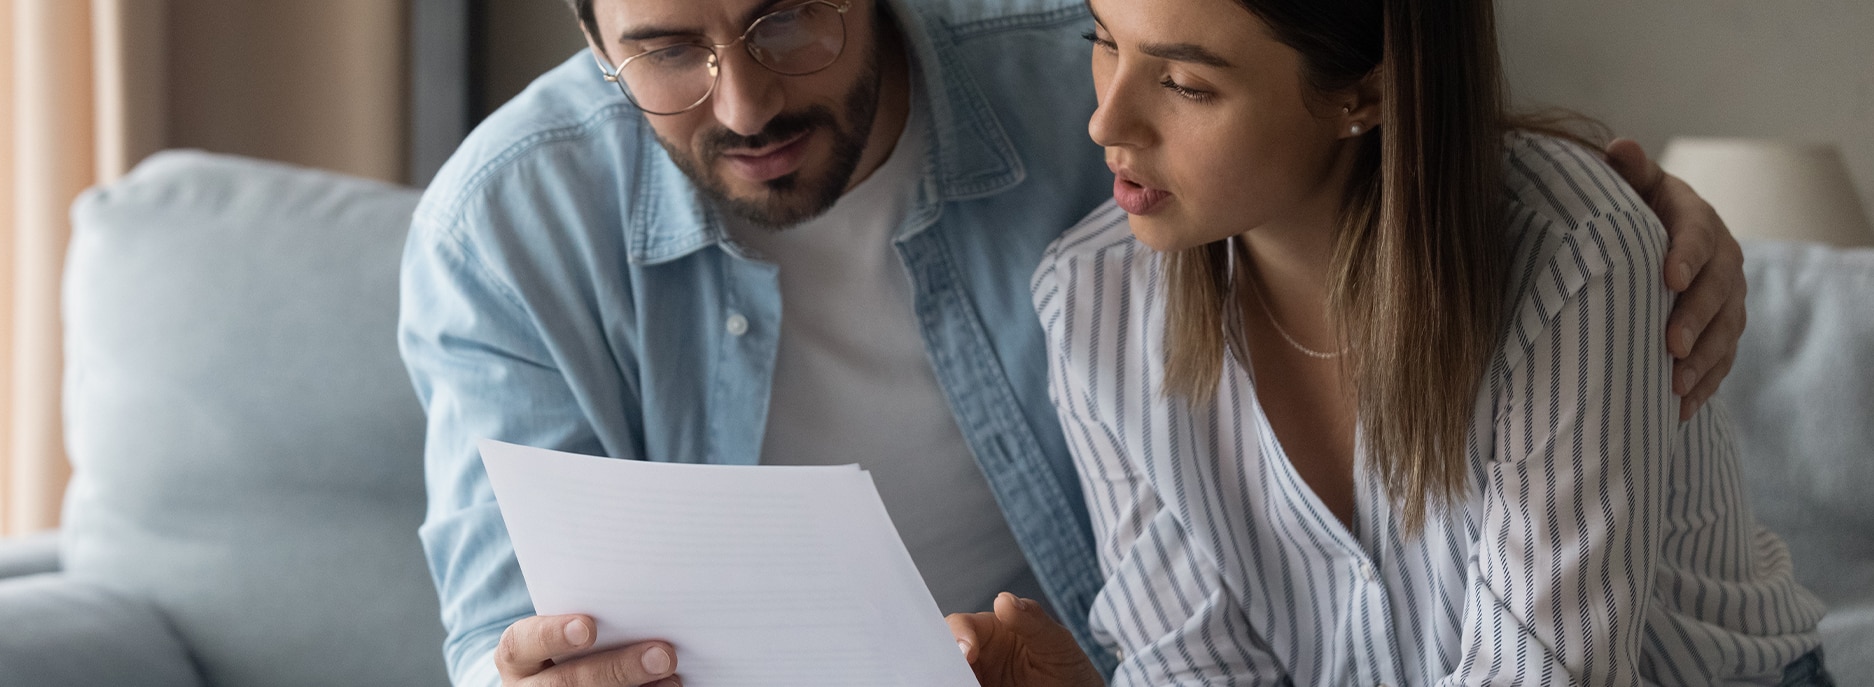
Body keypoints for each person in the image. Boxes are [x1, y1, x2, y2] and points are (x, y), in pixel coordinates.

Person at [397, 0, 1751, 685]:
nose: (742, 98)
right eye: (665, 49)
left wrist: (1605, 204)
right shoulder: (501, 228)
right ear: (588, 33)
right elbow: (496, 627)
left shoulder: (1071, 63)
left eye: (787, 19)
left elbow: (1382, 111)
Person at [945, 0, 1830, 685]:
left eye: (1185, 84)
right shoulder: (1093, 299)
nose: (1107, 122)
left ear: (1361, 91)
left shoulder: (1573, 260)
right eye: (1103, 39)